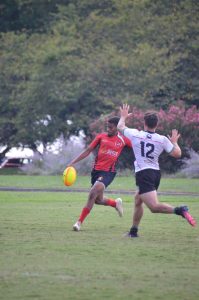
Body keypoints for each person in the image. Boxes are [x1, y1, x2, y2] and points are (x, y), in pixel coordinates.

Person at [117, 104, 196, 238]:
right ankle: (133, 231)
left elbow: (120, 127)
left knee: (154, 207)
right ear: (157, 124)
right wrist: (174, 142)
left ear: (144, 123)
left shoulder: (136, 134)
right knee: (138, 200)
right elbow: (177, 154)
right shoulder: (162, 139)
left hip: (144, 174)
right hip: (155, 174)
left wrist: (123, 116)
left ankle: (179, 210)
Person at [68, 116, 132, 231]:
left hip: (109, 172)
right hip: (96, 172)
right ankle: (115, 203)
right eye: (107, 127)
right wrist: (73, 163)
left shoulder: (123, 140)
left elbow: (138, 146)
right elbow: (88, 151)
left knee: (93, 193)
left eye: (111, 127)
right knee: (97, 200)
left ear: (117, 128)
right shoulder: (101, 137)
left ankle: (78, 223)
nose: (108, 129)